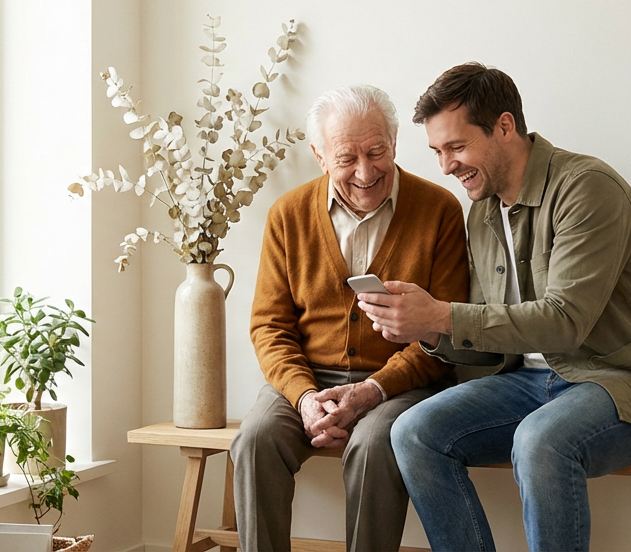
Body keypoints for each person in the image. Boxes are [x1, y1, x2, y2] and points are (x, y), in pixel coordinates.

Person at [356, 63, 631, 552]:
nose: (445, 167)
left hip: (607, 379)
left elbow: (565, 322)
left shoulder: (587, 188)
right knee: (413, 432)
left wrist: (442, 314)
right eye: (438, 151)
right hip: (524, 383)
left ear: (505, 127)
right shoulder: (481, 212)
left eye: (457, 147)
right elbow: (490, 340)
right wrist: (426, 328)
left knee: (540, 441)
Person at [230, 84, 470, 552]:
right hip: (307, 378)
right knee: (255, 440)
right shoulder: (288, 215)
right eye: (346, 158)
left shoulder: (439, 210)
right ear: (319, 156)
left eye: (377, 151)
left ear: (395, 143)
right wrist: (304, 398)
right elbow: (269, 327)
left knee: (375, 444)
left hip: (398, 385)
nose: (365, 171)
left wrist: (369, 392)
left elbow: (443, 333)